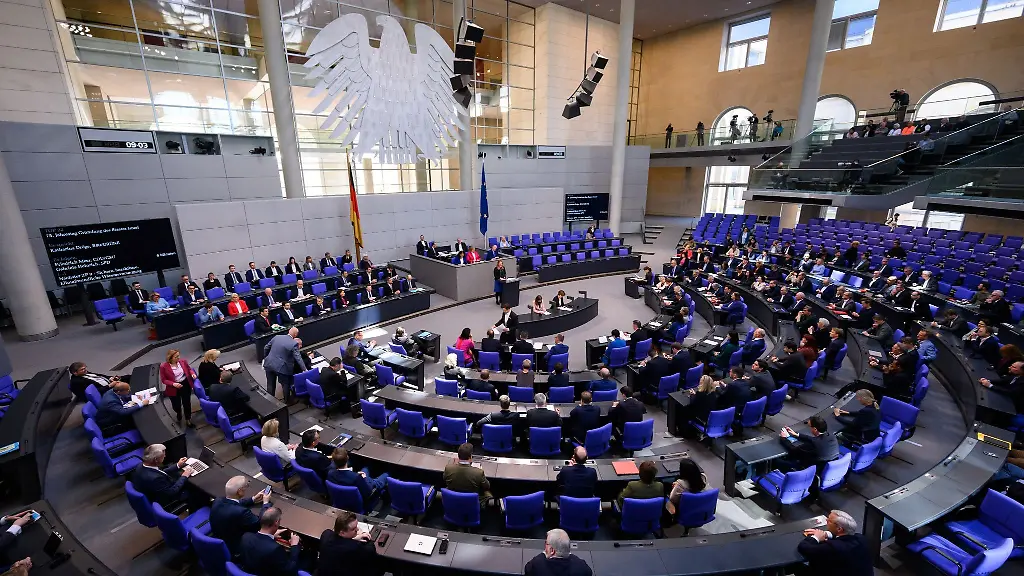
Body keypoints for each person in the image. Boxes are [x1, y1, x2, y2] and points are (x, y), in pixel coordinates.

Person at [796, 510, 873, 576]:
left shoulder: (834, 548)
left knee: (796, 566)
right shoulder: (861, 538)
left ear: (839, 529)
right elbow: (843, 538)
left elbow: (804, 548)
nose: (826, 521)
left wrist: (816, 537)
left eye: (829, 521)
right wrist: (826, 534)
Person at [210, 475, 270, 554]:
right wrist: (266, 503)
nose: (247, 487)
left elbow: (233, 503)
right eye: (246, 486)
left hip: (220, 536)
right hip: (235, 547)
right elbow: (260, 523)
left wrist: (253, 499)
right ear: (239, 491)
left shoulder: (218, 501)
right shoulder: (242, 512)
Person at [237, 507, 301, 576]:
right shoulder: (275, 548)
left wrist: (271, 536)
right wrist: (294, 546)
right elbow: (290, 570)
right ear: (276, 522)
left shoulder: (246, 536)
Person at [129, 443, 196, 509]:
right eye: (163, 455)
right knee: (195, 490)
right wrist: (184, 475)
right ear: (156, 459)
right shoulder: (155, 479)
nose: (165, 456)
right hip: (167, 501)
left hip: (155, 491)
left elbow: (159, 472)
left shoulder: (141, 466)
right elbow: (172, 492)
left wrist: (178, 465)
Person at [317, 511, 383, 576]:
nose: (357, 530)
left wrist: (354, 537)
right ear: (342, 532)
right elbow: (371, 550)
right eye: (353, 529)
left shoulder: (326, 534)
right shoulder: (354, 547)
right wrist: (363, 534)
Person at [525, 529, 592, 576]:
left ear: (552, 550)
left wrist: (544, 553)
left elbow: (527, 569)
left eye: (546, 543)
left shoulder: (536, 565)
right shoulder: (582, 567)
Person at [263, 327, 305, 401]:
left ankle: (269, 402)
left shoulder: (277, 337)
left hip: (269, 364)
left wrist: (267, 357)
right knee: (285, 384)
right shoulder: (293, 343)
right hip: (281, 368)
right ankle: (287, 400)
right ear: (295, 335)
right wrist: (304, 369)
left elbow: (266, 347)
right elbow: (298, 358)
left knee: (270, 384)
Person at [159, 349, 196, 427]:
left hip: (185, 384)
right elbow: (164, 380)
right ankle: (178, 412)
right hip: (173, 387)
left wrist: (192, 373)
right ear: (170, 358)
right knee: (176, 405)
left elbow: (189, 369)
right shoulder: (163, 366)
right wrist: (173, 384)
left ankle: (188, 419)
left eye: (179, 356)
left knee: (187, 403)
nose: (178, 358)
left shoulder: (183, 361)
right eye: (176, 357)